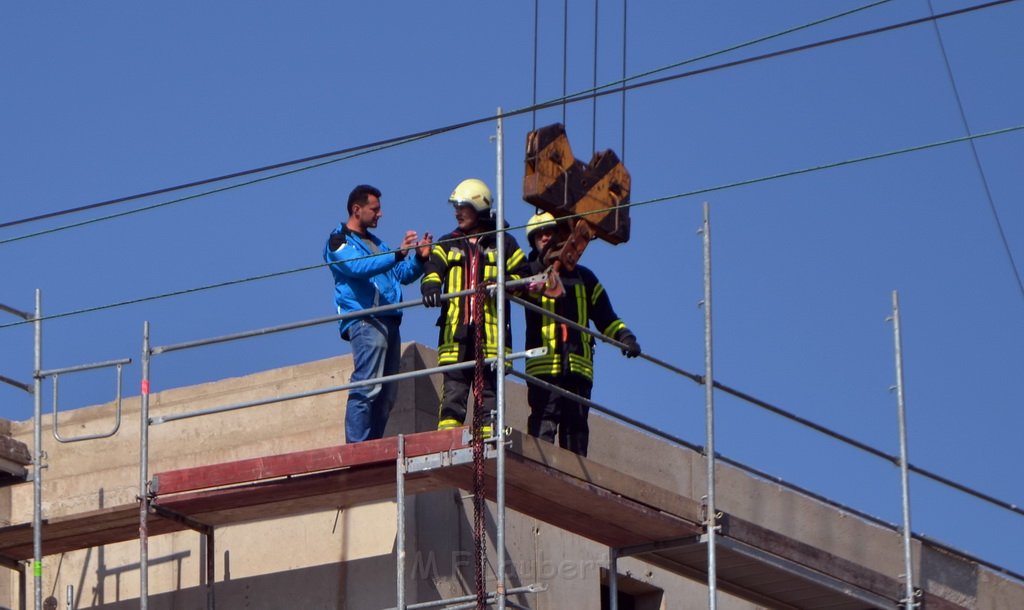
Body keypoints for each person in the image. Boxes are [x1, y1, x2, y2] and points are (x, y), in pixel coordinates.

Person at [522, 212, 641, 456]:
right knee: (543, 422)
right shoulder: (528, 272)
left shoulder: (584, 278)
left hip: (578, 369)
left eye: (549, 232)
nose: (544, 237)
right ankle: (540, 471)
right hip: (544, 366)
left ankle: (572, 479)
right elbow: (514, 290)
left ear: (560, 235)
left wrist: (625, 337)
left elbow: (606, 317)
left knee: (576, 431)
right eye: (538, 235)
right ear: (532, 241)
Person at [420, 178, 531, 434]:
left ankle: (486, 444)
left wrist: (502, 284)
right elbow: (433, 269)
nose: (457, 212)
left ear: (479, 207)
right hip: (455, 335)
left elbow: (522, 277)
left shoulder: (504, 243)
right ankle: (447, 443)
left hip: (491, 337)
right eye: (456, 207)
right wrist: (430, 288)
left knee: (489, 395)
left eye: (463, 207)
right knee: (453, 395)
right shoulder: (448, 242)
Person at [324, 184, 432, 443]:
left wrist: (418, 259)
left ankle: (371, 448)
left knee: (386, 395)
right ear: (356, 209)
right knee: (367, 386)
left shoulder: (377, 243)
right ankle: (357, 449)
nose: (380, 214)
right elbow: (358, 267)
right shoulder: (338, 240)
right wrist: (397, 254)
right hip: (365, 319)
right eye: (375, 209)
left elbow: (400, 275)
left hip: (389, 320)